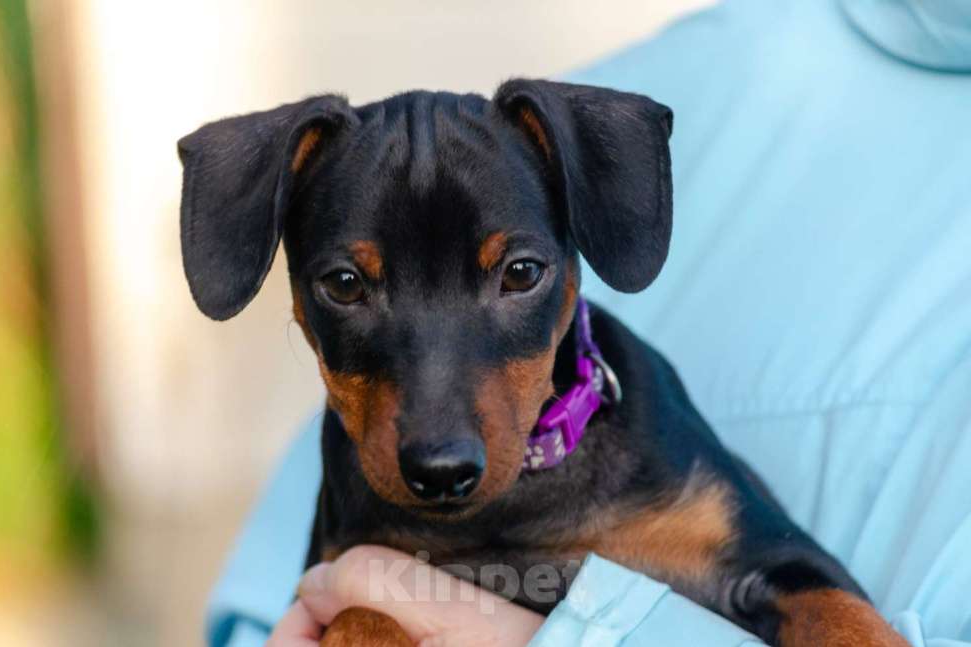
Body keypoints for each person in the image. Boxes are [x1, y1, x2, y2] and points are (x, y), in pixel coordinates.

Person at [207, 0, 971, 644]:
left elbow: (798, 588)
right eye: (348, 285)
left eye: (518, 274)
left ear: (578, 261)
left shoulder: (643, 443)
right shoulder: (351, 463)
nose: (438, 441)